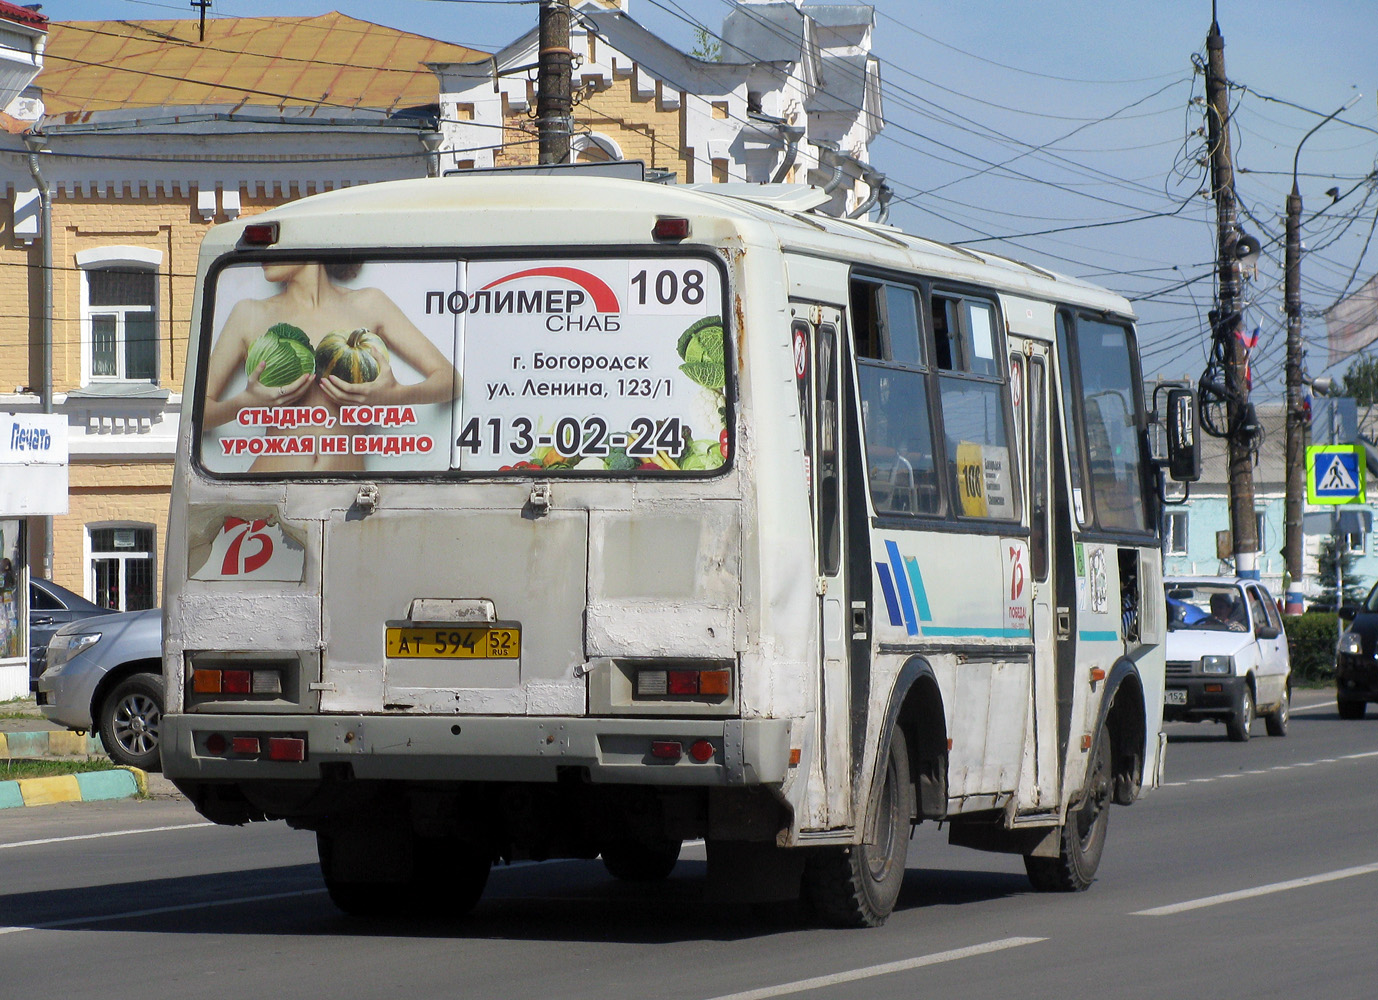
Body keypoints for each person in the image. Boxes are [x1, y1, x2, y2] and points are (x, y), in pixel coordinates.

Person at [202, 260, 459, 472]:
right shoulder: (249, 313)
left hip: (351, 497)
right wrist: (244, 404)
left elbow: (450, 381)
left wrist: (395, 396)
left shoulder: (369, 303)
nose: (263, 256)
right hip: (268, 489)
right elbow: (198, 415)